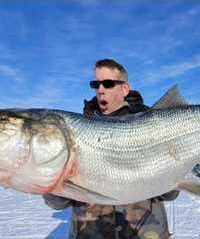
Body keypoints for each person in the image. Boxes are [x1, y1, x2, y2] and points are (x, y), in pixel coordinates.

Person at [43, 59, 179, 239]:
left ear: (125, 88)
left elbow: (170, 194)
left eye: (108, 83)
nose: (100, 89)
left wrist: (180, 164)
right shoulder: (74, 134)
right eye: (95, 84)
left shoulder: (156, 128)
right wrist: (51, 181)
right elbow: (57, 203)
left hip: (145, 231)